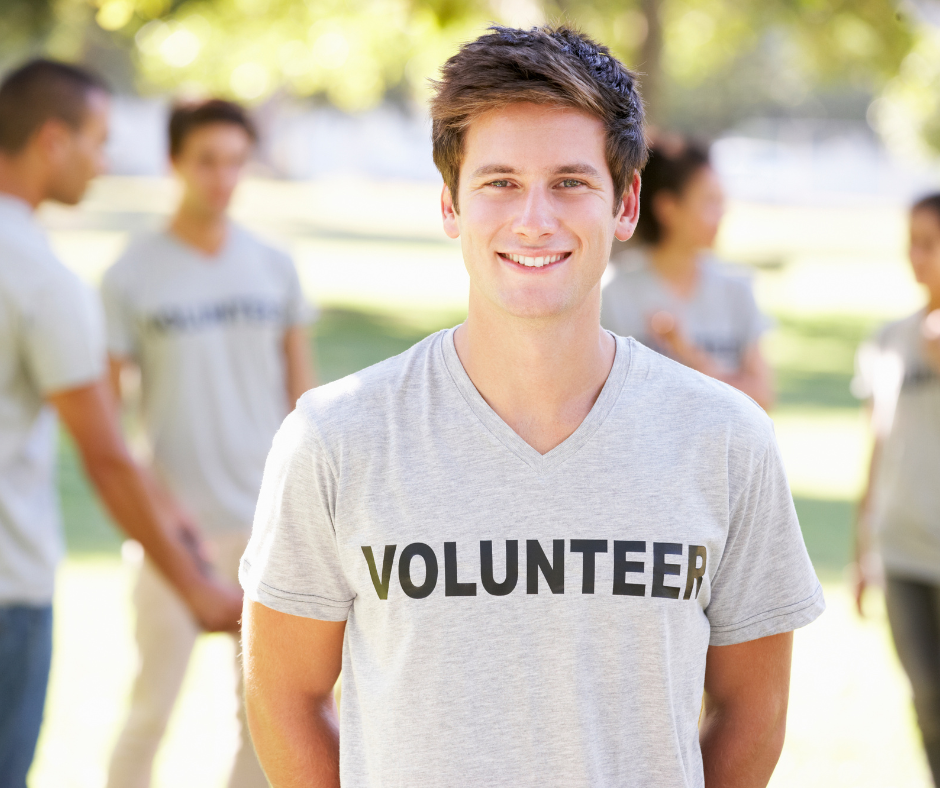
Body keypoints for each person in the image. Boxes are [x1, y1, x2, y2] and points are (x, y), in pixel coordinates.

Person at [240, 25, 824, 788]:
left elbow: (754, 711)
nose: (535, 219)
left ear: (627, 202)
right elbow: (283, 696)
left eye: (571, 182)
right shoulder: (336, 438)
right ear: (451, 203)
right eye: (500, 182)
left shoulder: (724, 440)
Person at [0, 61, 242, 787]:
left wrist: (175, 520)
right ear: (52, 141)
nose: (103, 163)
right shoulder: (41, 277)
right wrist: (198, 590)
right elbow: (105, 455)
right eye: (97, 142)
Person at [103, 98, 315, 788]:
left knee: (266, 721)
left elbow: (303, 401)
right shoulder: (131, 273)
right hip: (177, 535)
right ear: (174, 164)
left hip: (268, 528)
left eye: (234, 161)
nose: (222, 178)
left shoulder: (274, 266)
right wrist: (163, 516)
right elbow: (106, 419)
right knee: (148, 715)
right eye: (206, 162)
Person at [854, 193, 940, 783]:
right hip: (903, 552)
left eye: (931, 243)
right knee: (928, 698)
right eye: (912, 241)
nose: (918, 256)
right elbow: (879, 446)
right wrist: (864, 547)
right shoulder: (889, 339)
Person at [601, 141, 774, 409]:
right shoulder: (614, 292)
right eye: (709, 202)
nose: (722, 214)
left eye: (721, 201)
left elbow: (762, 397)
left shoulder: (736, 289)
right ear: (667, 208)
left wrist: (687, 355)